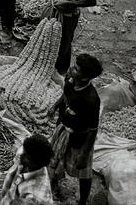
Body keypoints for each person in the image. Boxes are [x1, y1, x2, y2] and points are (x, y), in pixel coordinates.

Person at [49, 53, 102, 205]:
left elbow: (93, 129)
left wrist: (84, 154)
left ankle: (83, 201)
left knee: (83, 172)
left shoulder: (91, 100)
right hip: (63, 130)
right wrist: (55, 106)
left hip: (80, 138)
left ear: (85, 78)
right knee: (55, 160)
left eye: (77, 69)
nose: (72, 69)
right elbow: (65, 95)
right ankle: (54, 186)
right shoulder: (70, 80)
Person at [0, 134, 55, 205]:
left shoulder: (36, 195)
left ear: (36, 163)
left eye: (27, 157)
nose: (21, 156)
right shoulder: (25, 164)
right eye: (23, 151)